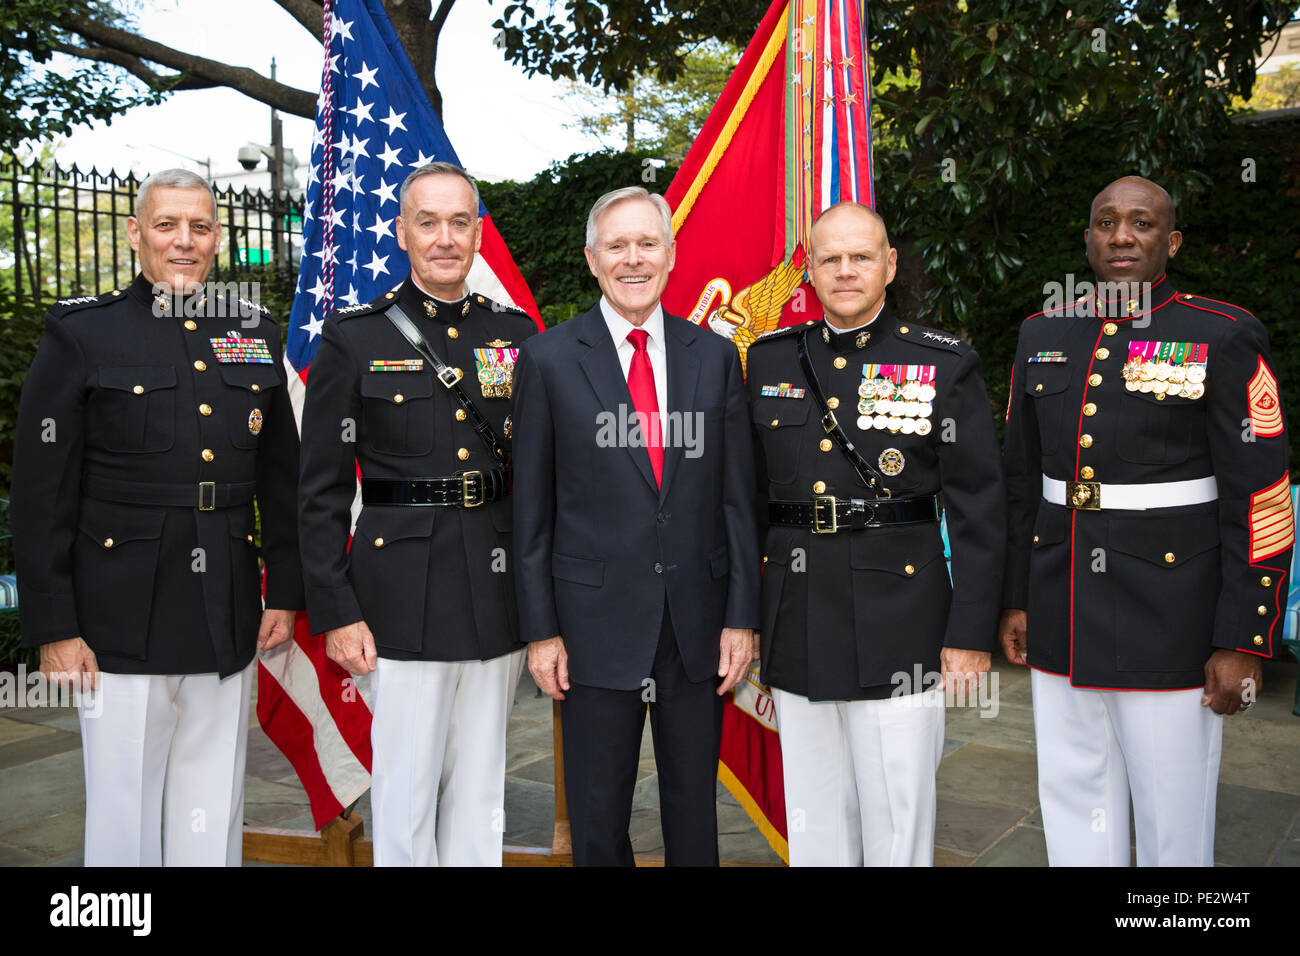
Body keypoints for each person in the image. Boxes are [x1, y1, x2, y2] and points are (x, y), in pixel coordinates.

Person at [11, 168, 304, 866]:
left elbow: (282, 479)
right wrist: (55, 627)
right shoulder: (85, 332)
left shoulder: (253, 330)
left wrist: (286, 591)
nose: (184, 241)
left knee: (213, 807)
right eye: (167, 225)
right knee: (124, 816)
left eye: (199, 227)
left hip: (225, 606)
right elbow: (41, 491)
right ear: (137, 233)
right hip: (118, 613)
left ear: (217, 238)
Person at [1000, 175, 1292, 866]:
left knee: (1173, 806)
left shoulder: (1220, 334)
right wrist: (1016, 596)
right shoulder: (1043, 332)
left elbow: (1261, 497)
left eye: (1142, 223)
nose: (1122, 236)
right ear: (1088, 237)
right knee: (1073, 791)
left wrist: (1243, 635)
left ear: (1172, 241)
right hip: (1063, 600)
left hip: (1172, 616)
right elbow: (1020, 483)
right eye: (1107, 222)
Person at [745, 202, 1005, 866]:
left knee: (897, 814)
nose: (846, 270)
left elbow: (979, 510)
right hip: (797, 616)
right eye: (829, 258)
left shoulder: (943, 363)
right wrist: (742, 618)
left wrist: (969, 636)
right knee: (815, 814)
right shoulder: (770, 362)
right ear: (809, 271)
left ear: (889, 265)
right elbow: (745, 504)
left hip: (903, 619)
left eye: (861, 256)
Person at [511, 186, 760, 866]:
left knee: (693, 814)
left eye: (647, 243)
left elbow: (738, 501)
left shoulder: (714, 357)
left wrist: (741, 618)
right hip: (590, 630)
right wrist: (541, 631)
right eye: (616, 245)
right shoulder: (549, 359)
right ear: (592, 259)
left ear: (671, 255)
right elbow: (529, 514)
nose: (633, 259)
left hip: (697, 629)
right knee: (597, 820)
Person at [298, 162, 536, 866]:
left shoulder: (515, 335)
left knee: (482, 785)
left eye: (458, 223)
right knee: (405, 787)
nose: (443, 238)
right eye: (427, 222)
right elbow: (320, 491)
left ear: (476, 234)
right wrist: (336, 610)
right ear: (401, 232)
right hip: (399, 594)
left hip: (494, 588)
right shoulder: (354, 338)